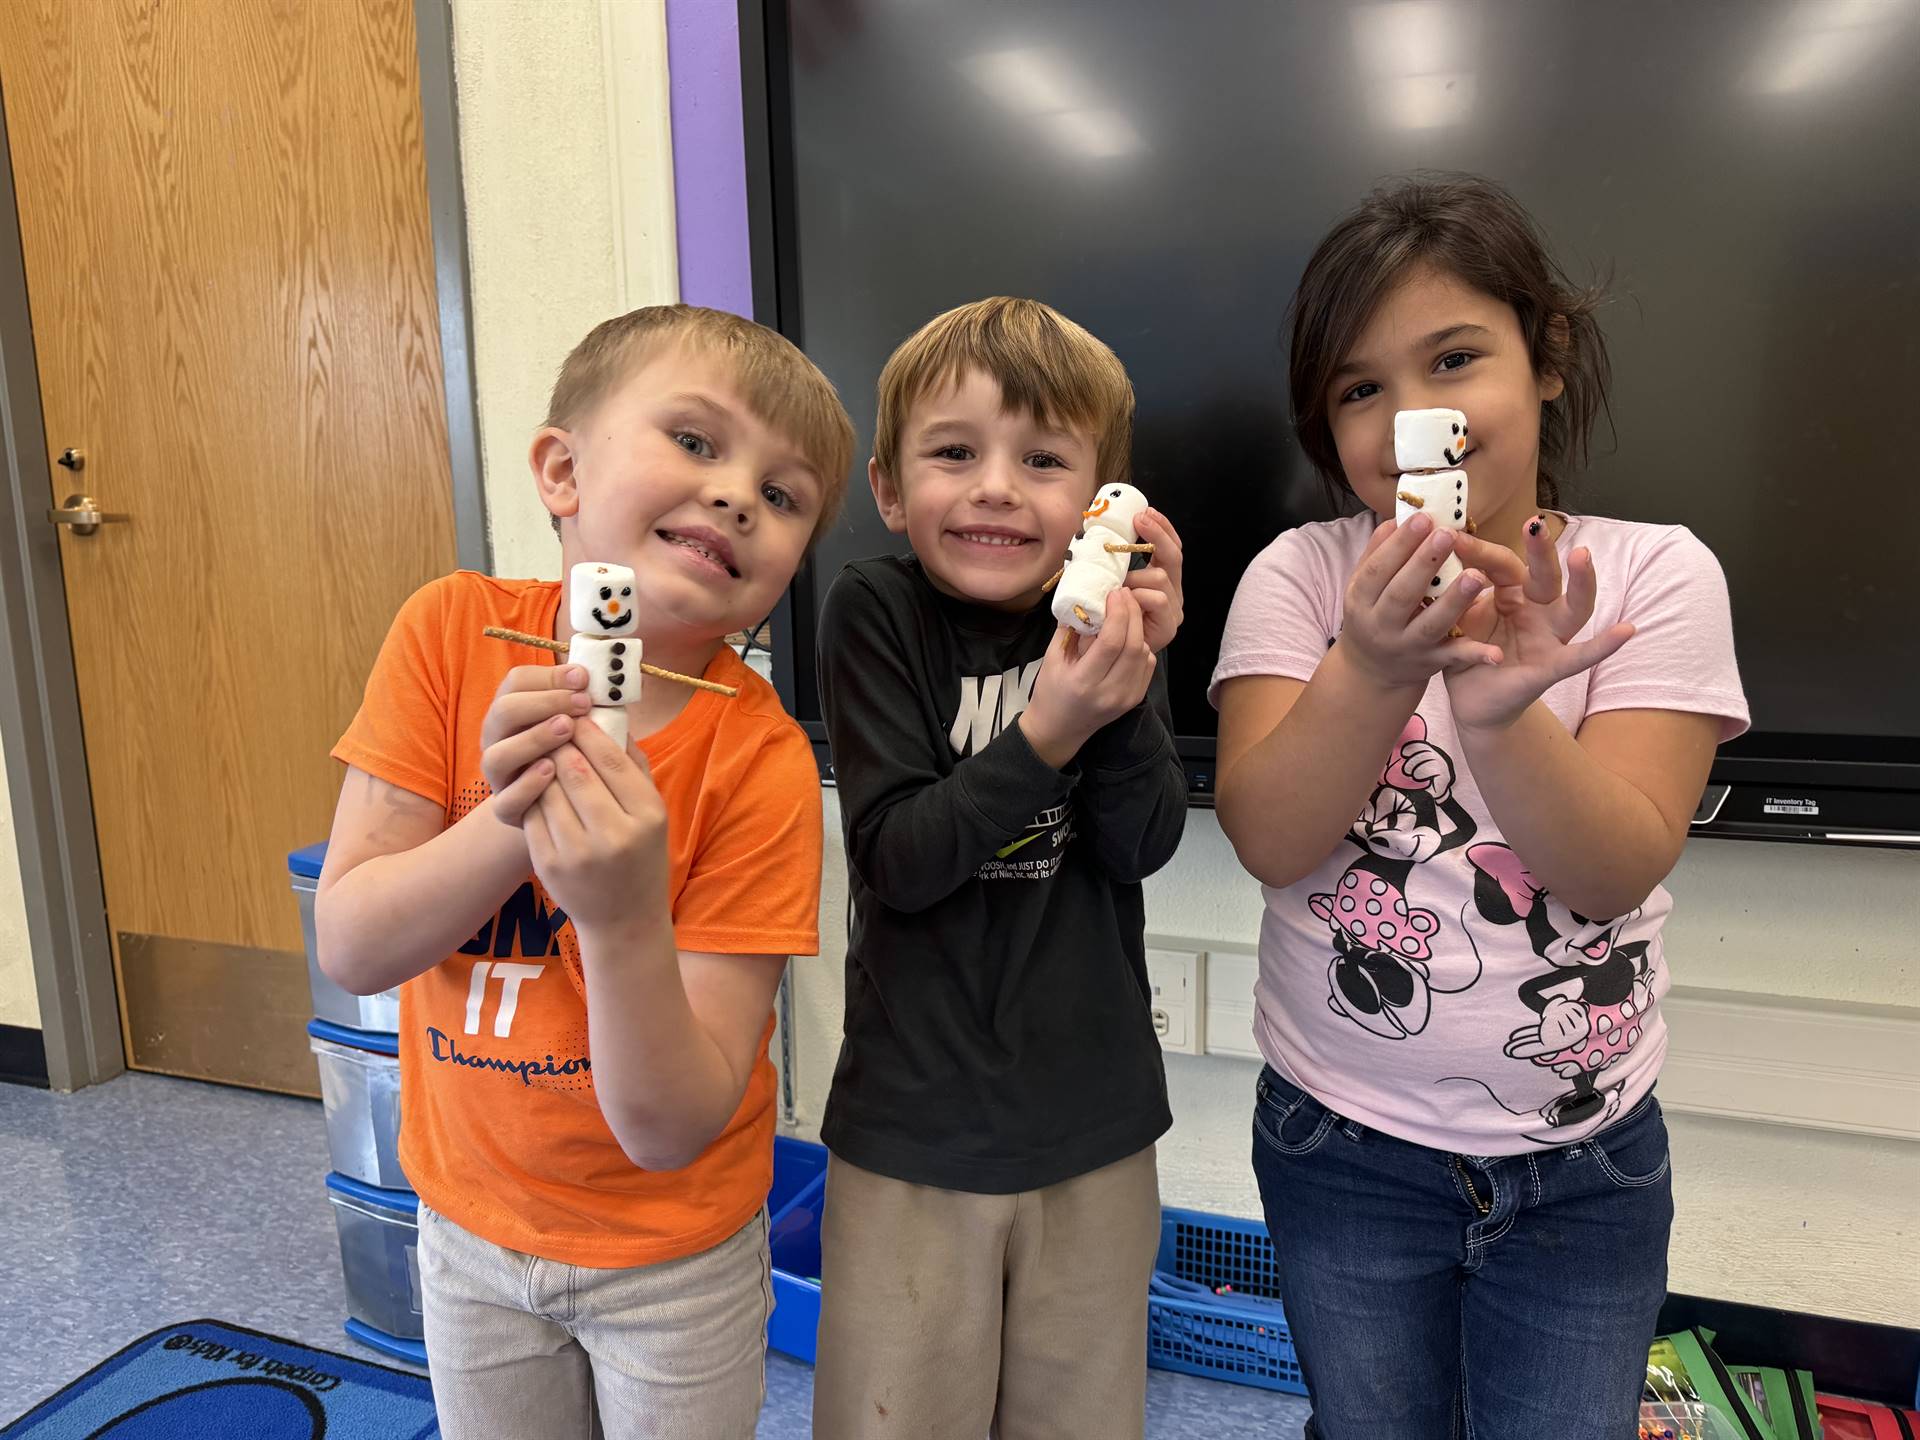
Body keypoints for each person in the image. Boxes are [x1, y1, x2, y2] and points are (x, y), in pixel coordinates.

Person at [1212, 175, 1748, 1438]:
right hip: (1338, 1140)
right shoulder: (1300, 578)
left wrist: (1504, 714)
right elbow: (1270, 836)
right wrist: (1378, 665)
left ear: (1548, 357)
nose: (1417, 422)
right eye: (1361, 390)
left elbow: (1612, 868)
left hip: (1586, 1162)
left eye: (1455, 359)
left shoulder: (1653, 575)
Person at [316, 304, 854, 1439]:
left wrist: (616, 918)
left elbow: (671, 1126)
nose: (736, 496)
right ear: (561, 471)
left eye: (785, 494)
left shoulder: (760, 760)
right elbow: (355, 944)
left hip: (675, 1256)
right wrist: (512, 821)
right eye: (698, 443)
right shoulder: (451, 635)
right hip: (469, 1224)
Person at [810, 296, 1188, 1439]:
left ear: (1100, 507)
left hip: (1095, 1118)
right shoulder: (872, 610)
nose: (995, 487)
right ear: (888, 488)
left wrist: (1127, 685)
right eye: (954, 453)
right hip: (914, 1127)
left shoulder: (1115, 627)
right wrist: (1049, 733)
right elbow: (900, 858)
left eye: (1043, 460)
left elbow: (1141, 844)